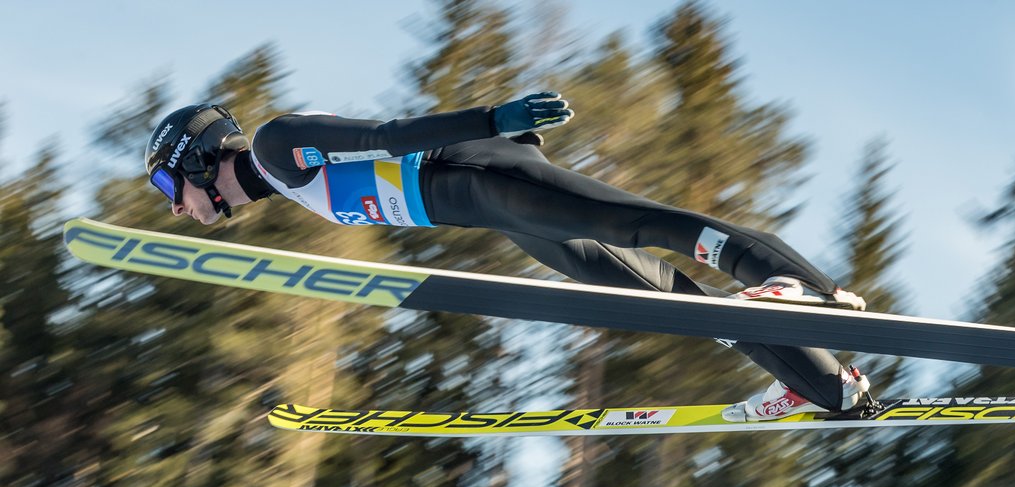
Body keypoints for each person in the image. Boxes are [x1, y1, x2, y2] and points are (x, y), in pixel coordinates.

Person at [144, 94, 872, 420]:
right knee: (665, 303)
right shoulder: (279, 182)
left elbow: (390, 135)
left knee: (638, 224)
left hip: (483, 173)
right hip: (491, 212)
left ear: (197, 158)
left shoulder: (273, 145)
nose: (174, 206)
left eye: (166, 185)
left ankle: (805, 288)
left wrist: (494, 120)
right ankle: (828, 385)